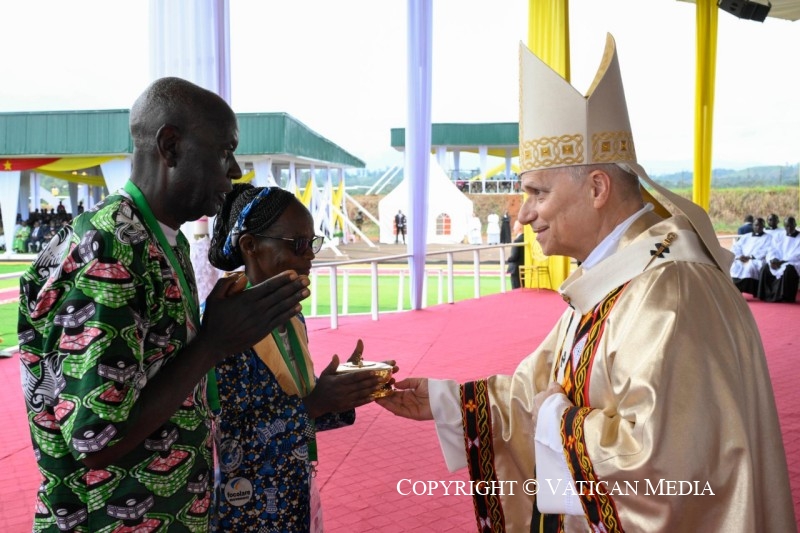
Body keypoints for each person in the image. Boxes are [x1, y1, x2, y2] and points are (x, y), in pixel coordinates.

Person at [377, 35, 794, 532]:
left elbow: (666, 468)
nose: (524, 214)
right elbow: (538, 387)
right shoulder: (616, 276)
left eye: (537, 193)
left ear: (597, 188)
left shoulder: (668, 291)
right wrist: (447, 402)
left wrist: (557, 418)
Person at [17, 77, 310, 532]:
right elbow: (97, 440)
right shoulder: (109, 249)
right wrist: (213, 344)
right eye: (225, 152)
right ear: (170, 146)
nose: (235, 171)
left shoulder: (161, 240)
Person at [207, 183, 395, 531]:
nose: (310, 255)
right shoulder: (224, 324)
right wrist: (314, 404)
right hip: (246, 511)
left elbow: (296, 409)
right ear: (250, 246)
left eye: (312, 243)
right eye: (297, 244)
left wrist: (343, 390)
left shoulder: (291, 316)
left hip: (294, 492)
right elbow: (227, 442)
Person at [757, 216, 800, 303]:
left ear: (795, 225)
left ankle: (784, 296)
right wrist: (773, 259)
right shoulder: (779, 235)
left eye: (791, 226)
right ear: (784, 226)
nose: (789, 228)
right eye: (787, 226)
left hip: (793, 261)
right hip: (777, 261)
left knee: (788, 270)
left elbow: (797, 254)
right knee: (765, 268)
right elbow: (772, 249)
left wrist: (782, 261)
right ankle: (766, 295)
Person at [730, 217, 771, 295]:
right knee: (734, 266)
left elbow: (767, 250)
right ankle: (735, 290)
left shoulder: (768, 237)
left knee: (750, 267)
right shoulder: (746, 236)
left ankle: (748, 289)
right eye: (756, 225)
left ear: (763, 226)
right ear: (753, 226)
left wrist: (750, 257)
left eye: (760, 225)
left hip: (756, 259)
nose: (758, 227)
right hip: (742, 258)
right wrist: (739, 256)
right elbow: (736, 247)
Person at [505, 225, 525, 289]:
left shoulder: (517, 241)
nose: (513, 229)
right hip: (524, 267)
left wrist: (508, 260)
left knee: (516, 288)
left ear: (519, 228)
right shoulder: (525, 238)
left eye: (515, 226)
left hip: (516, 269)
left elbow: (514, 256)